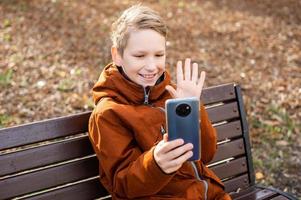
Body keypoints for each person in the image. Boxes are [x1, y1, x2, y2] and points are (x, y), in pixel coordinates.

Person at [88, 4, 231, 200]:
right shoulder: (108, 114)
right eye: (140, 56)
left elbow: (205, 155)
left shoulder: (171, 94)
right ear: (117, 55)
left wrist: (193, 109)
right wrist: (155, 163)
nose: (151, 66)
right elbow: (122, 186)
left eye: (159, 55)